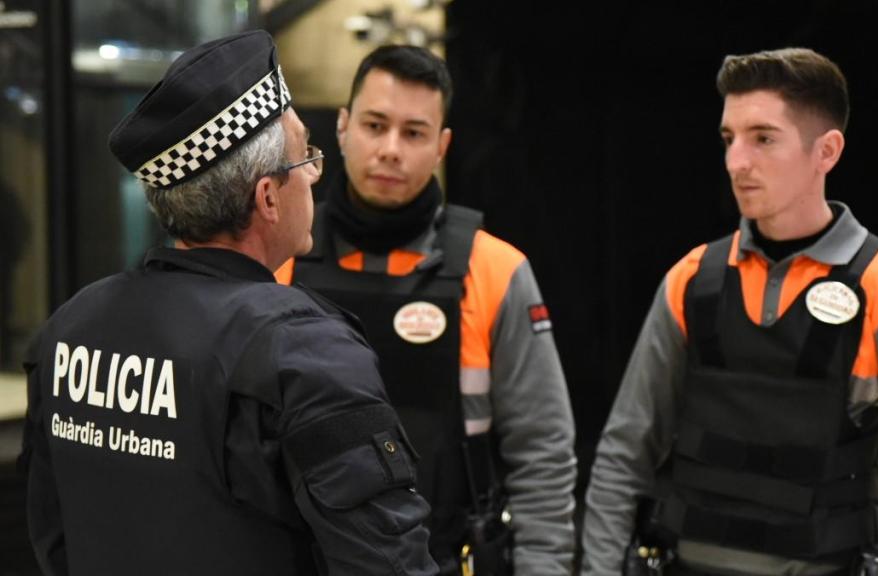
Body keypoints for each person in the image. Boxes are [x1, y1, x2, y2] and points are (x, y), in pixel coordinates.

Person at [19, 30, 437, 576]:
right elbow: (387, 564)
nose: (315, 172)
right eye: (304, 157)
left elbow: (53, 538)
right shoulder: (303, 352)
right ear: (267, 198)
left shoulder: (71, 327)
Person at [581, 47, 878, 575]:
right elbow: (623, 456)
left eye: (763, 138)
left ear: (826, 151)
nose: (736, 162)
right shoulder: (691, 279)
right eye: (729, 139)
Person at [274, 45, 576, 574]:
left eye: (413, 133)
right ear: (342, 128)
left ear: (442, 146)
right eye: (374, 124)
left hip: (451, 557)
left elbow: (543, 458)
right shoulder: (280, 262)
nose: (391, 149)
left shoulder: (496, 270)